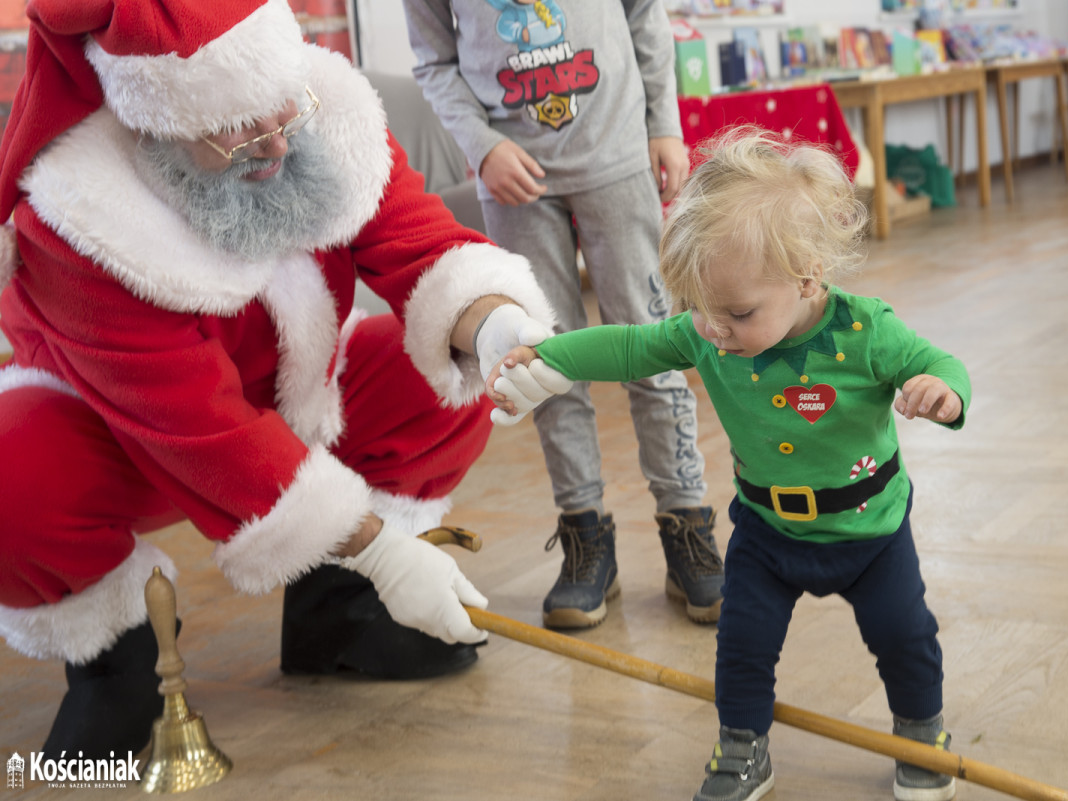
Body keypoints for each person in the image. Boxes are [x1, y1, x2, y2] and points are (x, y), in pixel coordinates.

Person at [0, 0, 559, 759]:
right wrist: (384, 548)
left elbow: (418, 242)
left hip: (289, 394)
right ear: (153, 122)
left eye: (278, 113)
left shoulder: (317, 110)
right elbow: (204, 434)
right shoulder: (80, 220)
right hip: (126, 438)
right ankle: (115, 659)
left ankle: (341, 609)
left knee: (434, 373)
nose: (269, 147)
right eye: (231, 132)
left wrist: (496, 327)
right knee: (12, 477)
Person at [488, 127, 971, 801]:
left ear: (809, 276)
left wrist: (945, 394)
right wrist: (554, 357)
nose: (713, 329)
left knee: (906, 634)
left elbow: (940, 365)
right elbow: (633, 346)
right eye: (701, 309)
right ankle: (742, 745)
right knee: (742, 645)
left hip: (871, 533)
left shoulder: (868, 332)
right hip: (769, 532)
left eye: (738, 312)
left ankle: (920, 734)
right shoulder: (714, 329)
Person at [403, 0, 724, 630]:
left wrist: (664, 122)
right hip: (515, 182)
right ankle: (585, 537)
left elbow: (645, 19)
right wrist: (482, 145)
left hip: (618, 158)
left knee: (654, 348)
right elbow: (435, 62)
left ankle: (686, 524)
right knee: (541, 360)